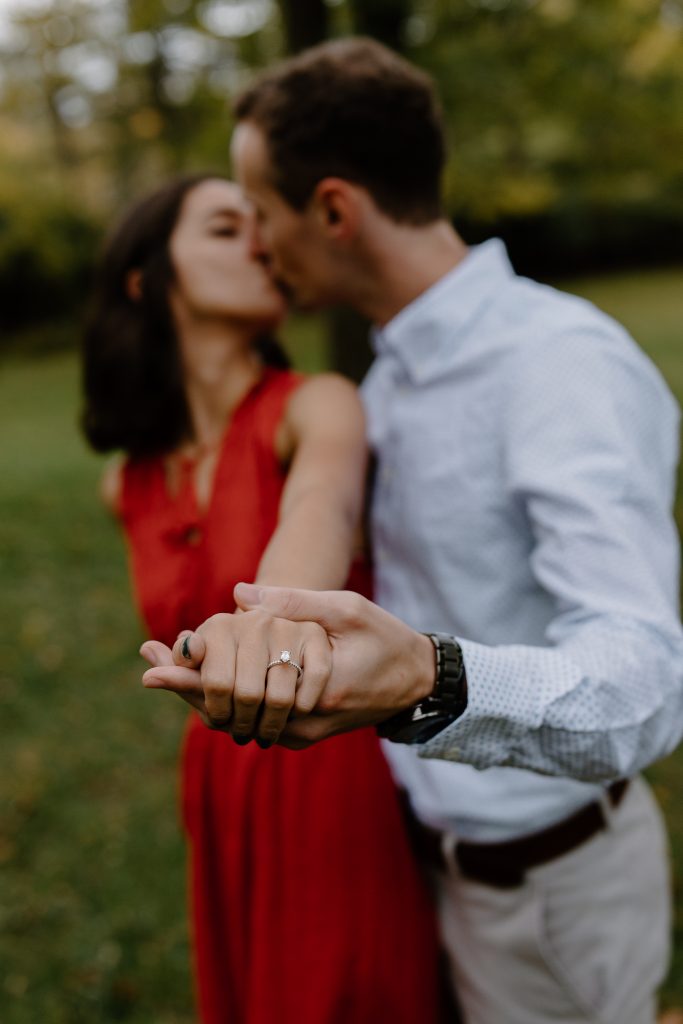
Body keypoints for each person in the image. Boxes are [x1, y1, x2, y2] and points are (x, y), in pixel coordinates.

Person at [142, 40, 683, 1024]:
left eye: (259, 215)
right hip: (409, 871)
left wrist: (433, 678)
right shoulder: (383, 388)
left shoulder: (556, 367)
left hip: (547, 896)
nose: (258, 244)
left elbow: (646, 685)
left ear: (335, 211)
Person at [81, 173, 446, 1024]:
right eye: (222, 227)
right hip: (217, 784)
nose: (260, 242)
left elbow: (322, 503)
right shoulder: (124, 483)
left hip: (330, 772)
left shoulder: (315, 404)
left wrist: (273, 621)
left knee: (347, 992)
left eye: (260, 225)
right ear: (147, 280)